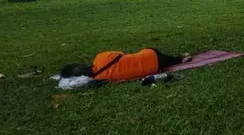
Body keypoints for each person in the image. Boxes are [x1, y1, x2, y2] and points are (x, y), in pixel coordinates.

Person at [58, 48, 191, 87]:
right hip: (150, 55)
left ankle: (177, 59)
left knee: (163, 62)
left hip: (153, 69)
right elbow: (121, 54)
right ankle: (179, 58)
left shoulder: (102, 79)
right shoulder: (100, 57)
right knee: (152, 55)